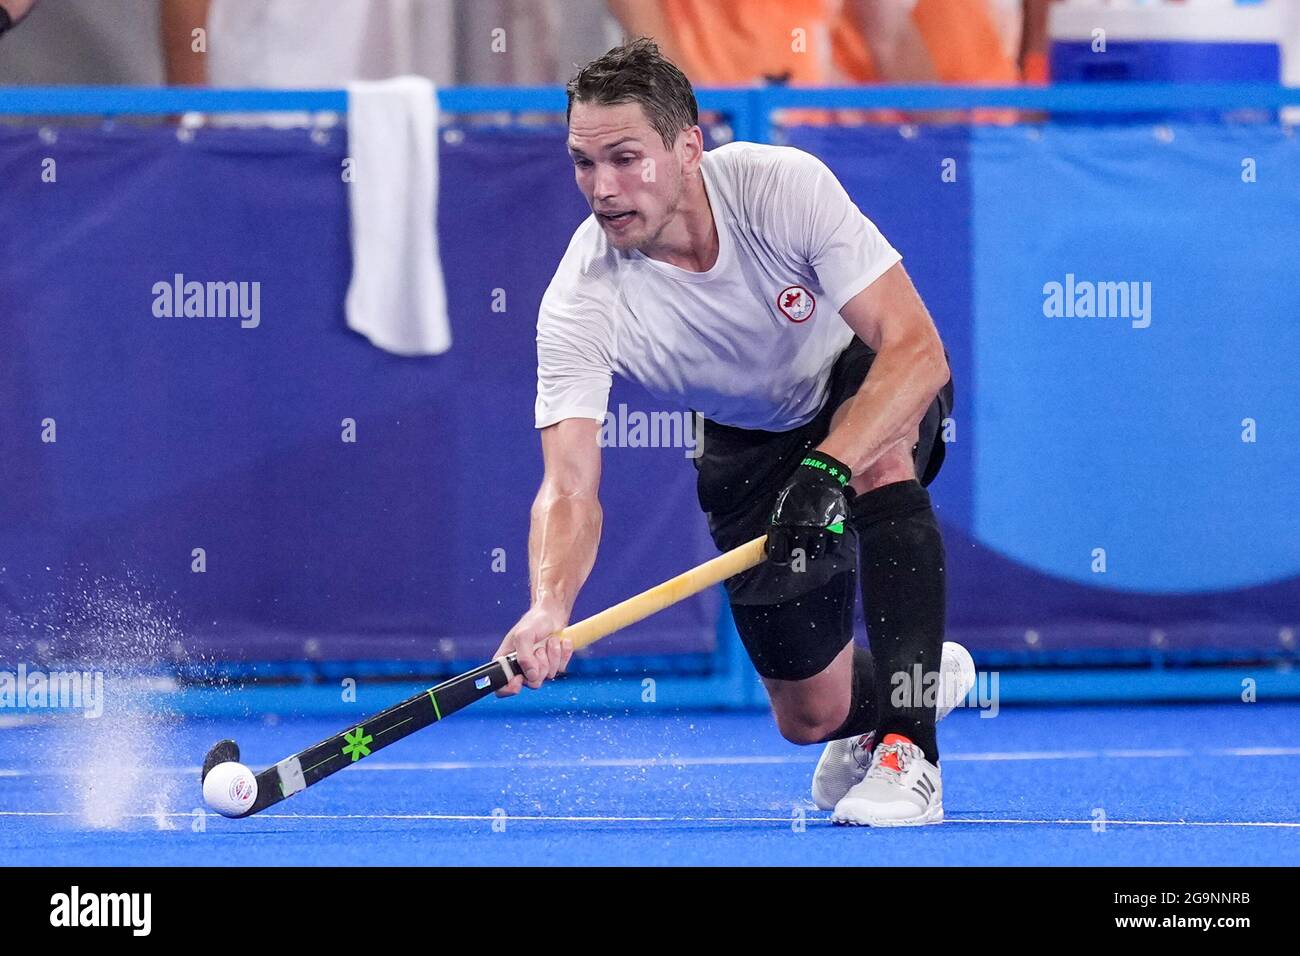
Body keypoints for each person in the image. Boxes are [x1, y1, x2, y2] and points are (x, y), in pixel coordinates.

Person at [494, 38, 974, 827]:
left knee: (879, 459)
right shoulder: (580, 298)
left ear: (689, 148)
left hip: (858, 377)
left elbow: (915, 351)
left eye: (624, 158)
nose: (602, 189)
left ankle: (909, 749)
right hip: (749, 439)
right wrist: (548, 605)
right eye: (583, 163)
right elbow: (570, 485)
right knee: (809, 716)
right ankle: (912, 679)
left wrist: (826, 470)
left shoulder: (780, 187)